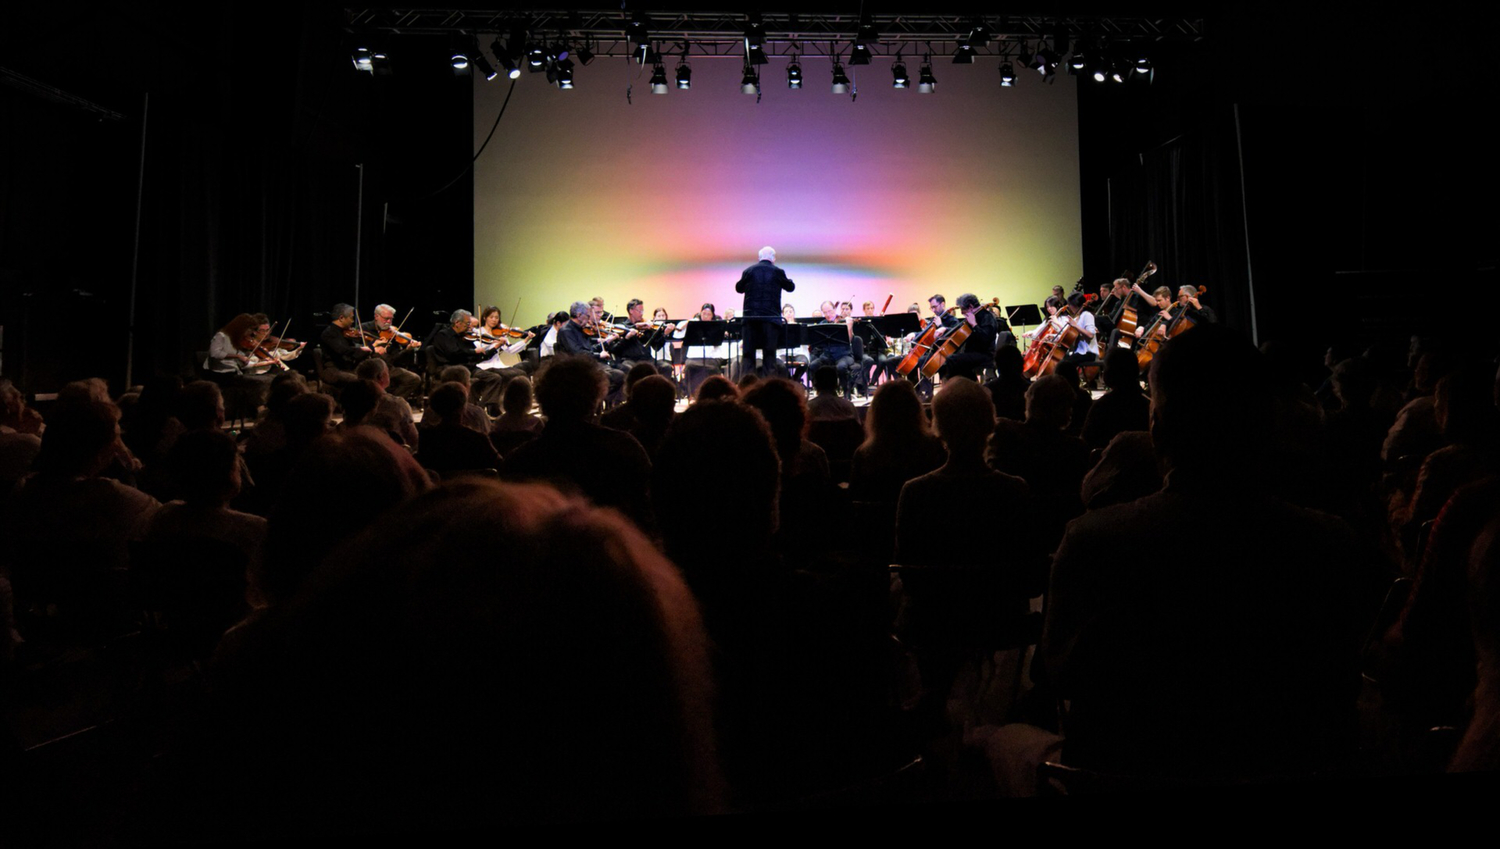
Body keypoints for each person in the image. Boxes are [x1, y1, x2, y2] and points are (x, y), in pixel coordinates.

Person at [735, 247, 798, 380]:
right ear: (774, 259)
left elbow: (738, 288)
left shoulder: (749, 271)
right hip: (770, 319)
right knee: (769, 355)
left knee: (748, 356)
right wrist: (789, 280)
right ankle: (768, 389)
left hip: (750, 319)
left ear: (759, 257)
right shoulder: (778, 272)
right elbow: (790, 287)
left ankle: (747, 388)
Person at [427, 309, 506, 408]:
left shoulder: (465, 337)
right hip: (451, 368)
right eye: (467, 323)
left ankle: (482, 408)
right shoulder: (443, 335)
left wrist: (495, 348)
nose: (469, 327)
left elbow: (477, 356)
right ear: (457, 323)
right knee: (472, 383)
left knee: (495, 378)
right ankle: (469, 409)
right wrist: (474, 351)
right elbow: (453, 353)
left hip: (468, 367)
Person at [936, 293, 1001, 381]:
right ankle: (969, 384)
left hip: (985, 354)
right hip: (971, 352)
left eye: (963, 309)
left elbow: (985, 339)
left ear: (970, 306)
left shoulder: (987, 317)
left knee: (952, 359)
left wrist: (974, 325)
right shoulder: (971, 316)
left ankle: (959, 385)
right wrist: (945, 329)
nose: (962, 312)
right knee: (951, 357)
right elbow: (959, 329)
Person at [807, 301, 862, 398]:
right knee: (812, 366)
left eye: (830, 311)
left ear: (835, 310)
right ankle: (820, 391)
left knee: (841, 367)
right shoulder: (822, 324)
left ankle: (846, 392)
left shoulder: (843, 322)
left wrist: (849, 327)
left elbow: (849, 340)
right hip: (827, 355)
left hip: (845, 355)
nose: (828, 315)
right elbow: (817, 343)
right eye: (825, 312)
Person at [674, 303, 728, 399]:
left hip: (712, 357)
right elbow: (677, 334)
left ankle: (712, 395)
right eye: (704, 313)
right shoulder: (694, 324)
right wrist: (689, 322)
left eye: (708, 314)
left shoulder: (717, 325)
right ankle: (692, 395)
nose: (706, 316)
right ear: (700, 313)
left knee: (711, 368)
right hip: (694, 357)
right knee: (690, 366)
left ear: (712, 315)